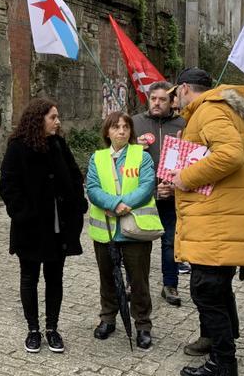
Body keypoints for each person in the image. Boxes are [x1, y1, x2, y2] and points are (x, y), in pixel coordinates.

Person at [170, 68, 244, 376]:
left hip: (215, 221)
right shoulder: (219, 109)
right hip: (217, 217)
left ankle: (223, 364)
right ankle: (224, 347)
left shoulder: (210, 110)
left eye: (175, 92)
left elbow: (230, 155)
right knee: (217, 290)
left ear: (183, 89)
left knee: (206, 291)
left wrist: (185, 176)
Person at [0, 98, 88, 354]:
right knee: (29, 278)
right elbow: (8, 185)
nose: (58, 122)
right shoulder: (18, 147)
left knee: (55, 278)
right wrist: (23, 213)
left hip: (59, 228)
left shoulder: (59, 144)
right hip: (30, 228)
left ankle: (52, 329)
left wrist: (77, 203)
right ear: (39, 119)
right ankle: (33, 330)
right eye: (53, 117)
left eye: (57, 117)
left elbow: (73, 175)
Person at [86, 111, 160, 351]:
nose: (121, 131)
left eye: (126, 127)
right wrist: (111, 204)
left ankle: (142, 325)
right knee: (107, 278)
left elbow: (147, 185)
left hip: (134, 230)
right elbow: (93, 187)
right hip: (105, 231)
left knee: (138, 280)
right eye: (116, 127)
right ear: (107, 131)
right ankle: (107, 318)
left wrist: (121, 205)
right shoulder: (96, 158)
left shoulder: (142, 156)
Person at [132, 82, 187, 307]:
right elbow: (119, 154)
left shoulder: (183, 124)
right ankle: (133, 284)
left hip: (171, 193)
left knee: (170, 242)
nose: (157, 103)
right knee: (136, 242)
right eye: (153, 98)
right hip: (142, 194)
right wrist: (134, 146)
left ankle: (170, 285)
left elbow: (192, 157)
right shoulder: (135, 122)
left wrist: (174, 184)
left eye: (162, 99)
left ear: (171, 101)